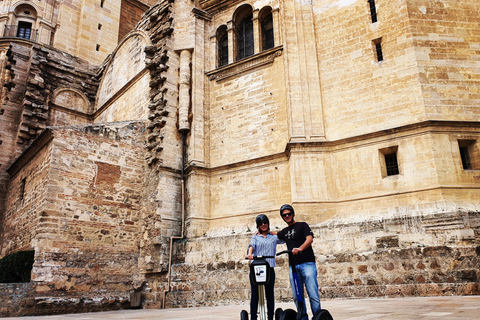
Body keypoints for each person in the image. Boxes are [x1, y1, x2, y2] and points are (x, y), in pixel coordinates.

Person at [277, 204, 321, 320]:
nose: (287, 216)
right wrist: (262, 232)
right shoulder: (284, 231)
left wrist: (300, 248)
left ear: (293, 214)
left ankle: (318, 317)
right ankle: (303, 318)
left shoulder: (302, 225)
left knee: (313, 295)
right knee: (297, 296)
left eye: (289, 214)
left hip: (307, 264)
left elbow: (309, 239)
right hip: (294, 268)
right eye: (284, 215)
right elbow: (274, 234)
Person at [247, 214, 284, 320]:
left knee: (269, 295)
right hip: (256, 270)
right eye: (261, 223)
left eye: (265, 223)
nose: (263, 225)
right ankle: (253, 317)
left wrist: (272, 232)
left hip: (269, 269)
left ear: (268, 223)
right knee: (255, 295)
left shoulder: (273, 237)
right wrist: (250, 254)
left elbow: (284, 238)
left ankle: (270, 317)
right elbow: (251, 246)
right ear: (258, 225)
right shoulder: (255, 237)